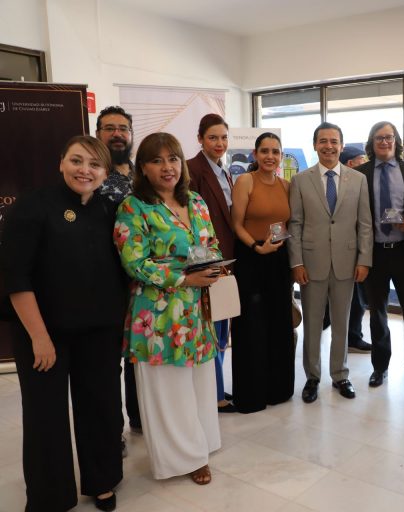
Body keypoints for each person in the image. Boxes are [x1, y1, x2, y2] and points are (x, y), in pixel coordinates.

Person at [1, 135, 125, 511]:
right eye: (76, 161)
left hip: (99, 330)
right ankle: (50, 496)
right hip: (44, 332)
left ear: (105, 172)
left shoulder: (109, 209)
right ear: (61, 163)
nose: (85, 170)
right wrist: (39, 337)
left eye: (94, 164)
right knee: (46, 416)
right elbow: (15, 278)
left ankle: (102, 480)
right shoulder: (33, 207)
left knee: (102, 406)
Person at [114, 132, 222, 485]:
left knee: (200, 380)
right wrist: (184, 279)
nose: (167, 167)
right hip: (159, 314)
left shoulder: (196, 201)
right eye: (156, 160)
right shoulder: (133, 208)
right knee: (170, 390)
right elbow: (134, 262)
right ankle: (183, 458)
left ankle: (202, 443)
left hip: (197, 308)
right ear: (142, 168)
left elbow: (210, 243)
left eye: (173, 158)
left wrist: (213, 265)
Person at [287, 122, 373, 403]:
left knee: (342, 322)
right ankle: (312, 377)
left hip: (347, 262)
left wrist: (364, 259)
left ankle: (340, 374)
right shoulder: (301, 180)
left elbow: (365, 224)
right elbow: (295, 224)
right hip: (311, 263)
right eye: (323, 141)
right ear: (315, 145)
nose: (328, 146)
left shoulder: (358, 179)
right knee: (312, 323)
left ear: (341, 145)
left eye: (334, 141)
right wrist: (296, 262)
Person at [357, 122, 404, 388]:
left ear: (397, 141)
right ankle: (380, 367)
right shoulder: (360, 174)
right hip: (374, 253)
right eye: (379, 138)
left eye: (389, 137)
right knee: (377, 314)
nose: (384, 142)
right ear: (371, 142)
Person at [229, 132, 294, 412]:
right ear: (255, 155)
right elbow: (236, 224)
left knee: (279, 324)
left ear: (281, 156)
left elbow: (289, 223)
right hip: (251, 258)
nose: (270, 156)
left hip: (278, 259)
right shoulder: (246, 181)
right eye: (265, 151)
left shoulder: (286, 185)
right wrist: (257, 247)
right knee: (251, 327)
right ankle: (252, 395)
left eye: (275, 151)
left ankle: (278, 389)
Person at [95, 105, 142, 448]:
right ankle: (112, 434)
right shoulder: (92, 176)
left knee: (141, 358)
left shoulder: (143, 174)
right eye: (109, 128)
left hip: (145, 282)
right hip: (105, 283)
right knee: (107, 365)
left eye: (123, 128)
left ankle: (142, 420)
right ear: (98, 134)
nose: (117, 134)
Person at [187, 113, 236, 412]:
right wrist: (205, 263)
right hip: (207, 260)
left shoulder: (223, 170)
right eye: (213, 137)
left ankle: (216, 387)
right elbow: (193, 222)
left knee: (221, 329)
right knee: (212, 329)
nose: (219, 143)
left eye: (224, 137)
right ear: (200, 139)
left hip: (225, 259)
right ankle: (215, 395)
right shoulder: (192, 170)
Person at [321, 146, 372, 354]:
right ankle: (351, 336)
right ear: (351, 163)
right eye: (362, 159)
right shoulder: (321, 181)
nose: (365, 163)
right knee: (354, 299)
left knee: (356, 298)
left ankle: (349, 335)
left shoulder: (359, 182)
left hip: (354, 251)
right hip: (331, 253)